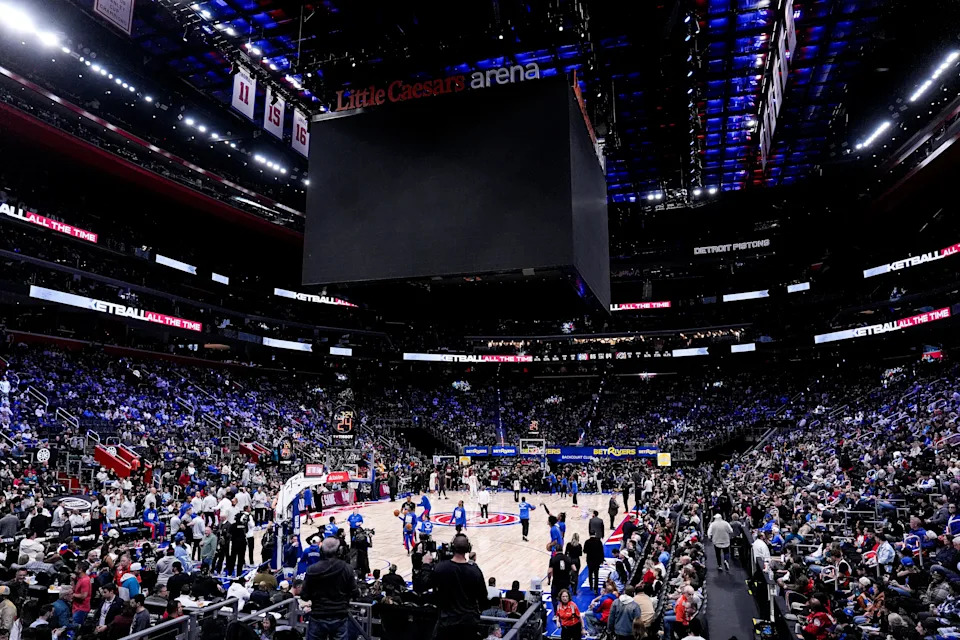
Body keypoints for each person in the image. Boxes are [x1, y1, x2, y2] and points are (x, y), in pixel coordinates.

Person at [302, 537, 359, 640]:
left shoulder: (312, 569)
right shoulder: (347, 568)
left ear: (321, 551)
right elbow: (355, 593)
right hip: (339, 616)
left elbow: (304, 595)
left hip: (317, 616)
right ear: (340, 551)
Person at [432, 534, 487, 640]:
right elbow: (483, 600)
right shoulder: (475, 571)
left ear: (452, 548)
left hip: (447, 623)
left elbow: (421, 586)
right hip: (469, 624)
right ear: (468, 548)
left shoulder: (441, 568)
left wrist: (424, 565)